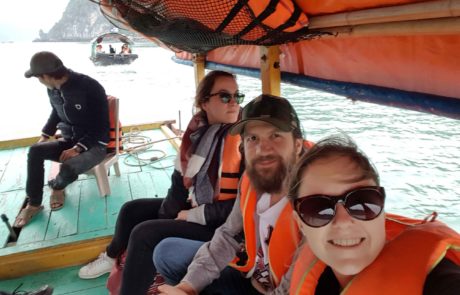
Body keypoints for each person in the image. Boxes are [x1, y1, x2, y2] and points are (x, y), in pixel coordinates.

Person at [78, 70, 245, 295]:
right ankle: (111, 256)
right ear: (204, 102)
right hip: (198, 205)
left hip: (223, 227)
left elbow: (241, 208)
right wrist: (167, 218)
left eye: (238, 96)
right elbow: (178, 185)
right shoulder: (198, 134)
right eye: (225, 96)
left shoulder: (245, 141)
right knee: (132, 210)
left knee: (144, 234)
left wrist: (189, 217)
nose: (234, 102)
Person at [155, 94, 312, 295]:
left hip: (280, 290)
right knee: (166, 252)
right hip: (250, 276)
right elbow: (229, 234)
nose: (263, 149)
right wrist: (188, 287)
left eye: (275, 136)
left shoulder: (315, 199)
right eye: (253, 138)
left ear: (297, 144)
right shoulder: (252, 180)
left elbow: (297, 285)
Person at [287, 135, 460, 294]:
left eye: (361, 202)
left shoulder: (439, 280)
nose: (343, 221)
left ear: (382, 209)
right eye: (317, 208)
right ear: (301, 223)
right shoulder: (320, 282)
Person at [15, 51, 109, 228]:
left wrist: (78, 148)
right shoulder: (52, 89)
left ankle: (57, 186)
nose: (39, 82)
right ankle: (34, 204)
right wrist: (45, 135)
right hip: (69, 140)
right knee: (35, 151)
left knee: (67, 167)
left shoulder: (89, 86)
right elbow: (55, 113)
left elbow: (101, 126)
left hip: (95, 145)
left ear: (45, 76)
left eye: (37, 78)